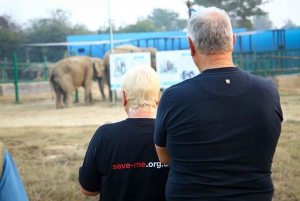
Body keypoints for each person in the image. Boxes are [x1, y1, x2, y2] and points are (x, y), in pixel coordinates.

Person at [154, 7, 283, 201]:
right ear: (233, 41)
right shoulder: (268, 92)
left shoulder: (173, 97)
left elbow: (164, 157)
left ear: (191, 45)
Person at [79, 65, 169, 201]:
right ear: (158, 98)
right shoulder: (172, 134)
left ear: (124, 97)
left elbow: (88, 190)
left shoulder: (104, 135)